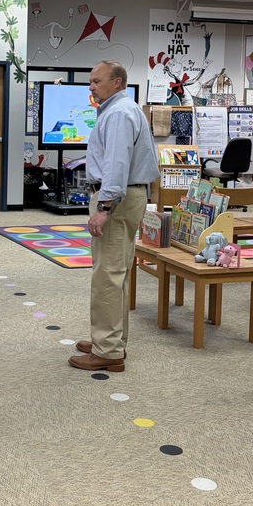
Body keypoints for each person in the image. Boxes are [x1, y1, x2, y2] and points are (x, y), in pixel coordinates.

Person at [68, 61, 158, 373]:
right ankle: (110, 340)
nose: (91, 87)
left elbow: (117, 164)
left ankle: (108, 350)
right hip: (126, 197)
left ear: (117, 82)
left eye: (96, 81)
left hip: (117, 200)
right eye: (90, 82)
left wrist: (104, 208)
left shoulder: (119, 113)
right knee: (115, 273)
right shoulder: (119, 109)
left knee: (107, 276)